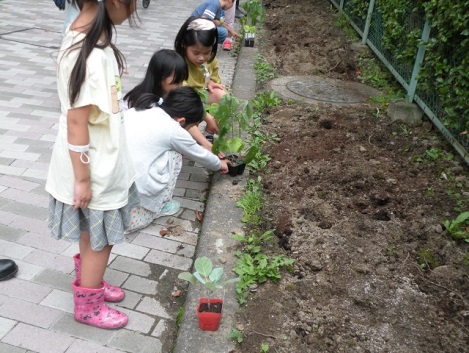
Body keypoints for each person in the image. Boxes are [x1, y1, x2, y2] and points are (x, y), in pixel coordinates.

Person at [45, 0, 138, 330]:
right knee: (101, 237)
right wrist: (83, 180)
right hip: (95, 166)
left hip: (96, 159)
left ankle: (91, 280)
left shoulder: (84, 38)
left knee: (91, 231)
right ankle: (88, 303)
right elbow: (76, 122)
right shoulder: (91, 53)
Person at [124, 86, 229, 233]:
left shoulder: (141, 109)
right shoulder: (173, 130)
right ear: (181, 121)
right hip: (132, 208)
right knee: (175, 154)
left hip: (109, 193)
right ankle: (161, 206)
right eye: (192, 126)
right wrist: (220, 164)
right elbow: (199, 154)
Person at [174, 17, 229, 151]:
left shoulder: (210, 60)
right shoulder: (178, 63)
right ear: (184, 45)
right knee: (187, 121)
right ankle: (193, 141)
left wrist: (211, 82)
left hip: (201, 97)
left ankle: (211, 134)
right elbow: (184, 96)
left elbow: (215, 81)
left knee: (224, 97)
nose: (201, 58)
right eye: (196, 53)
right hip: (184, 102)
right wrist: (206, 116)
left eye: (207, 52)